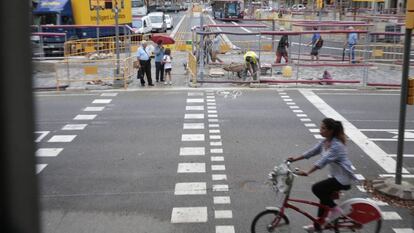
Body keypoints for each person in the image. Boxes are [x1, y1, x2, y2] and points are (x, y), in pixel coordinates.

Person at [287, 118, 357, 233]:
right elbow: (311, 152)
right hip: (335, 177)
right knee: (323, 199)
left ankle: (336, 210)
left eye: (323, 128)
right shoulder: (325, 142)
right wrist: (294, 159)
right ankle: (318, 226)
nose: (321, 130)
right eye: (321, 127)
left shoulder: (337, 146)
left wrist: (308, 172)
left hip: (343, 179)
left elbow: (323, 160)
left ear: (331, 131)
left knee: (317, 188)